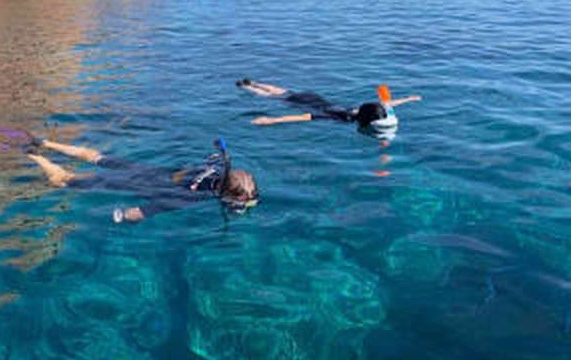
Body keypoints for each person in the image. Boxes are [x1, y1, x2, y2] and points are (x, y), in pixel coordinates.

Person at [25, 137, 259, 223]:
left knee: (96, 157)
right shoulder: (189, 198)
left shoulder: (214, 169)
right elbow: (137, 212)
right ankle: (36, 158)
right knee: (65, 180)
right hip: (138, 184)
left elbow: (179, 174)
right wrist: (121, 218)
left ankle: (47, 143)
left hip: (147, 170)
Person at [237, 79, 421, 130]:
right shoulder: (345, 118)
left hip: (313, 97)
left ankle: (253, 82)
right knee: (277, 97)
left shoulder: (356, 110)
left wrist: (408, 99)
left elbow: (384, 103)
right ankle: (250, 88)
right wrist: (271, 121)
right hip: (307, 105)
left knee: (282, 91)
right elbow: (305, 117)